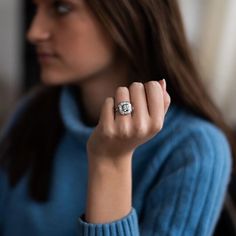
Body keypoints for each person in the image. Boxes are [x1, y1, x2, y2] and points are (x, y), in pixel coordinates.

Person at [0, 0, 235, 235]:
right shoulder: (31, 112)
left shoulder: (195, 149)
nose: (34, 32)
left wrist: (110, 162)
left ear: (129, 15)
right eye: (36, 9)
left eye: (62, 9)